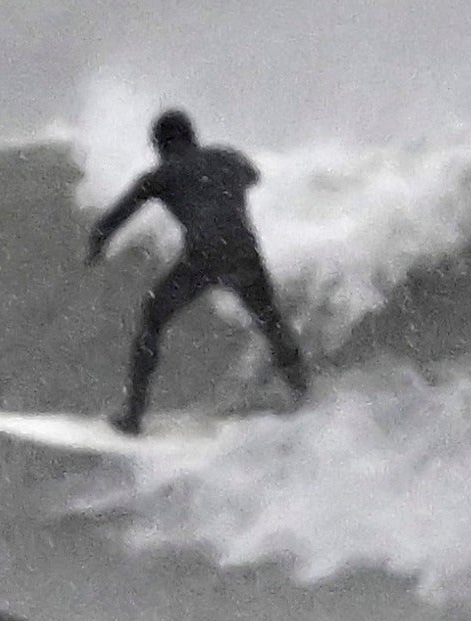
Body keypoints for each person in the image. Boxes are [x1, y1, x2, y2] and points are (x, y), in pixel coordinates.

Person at [85, 109, 310, 434]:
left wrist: (96, 245)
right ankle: (302, 391)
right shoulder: (227, 158)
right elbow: (252, 174)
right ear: (192, 136)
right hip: (244, 252)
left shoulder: (161, 175)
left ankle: (133, 417)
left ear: (161, 145)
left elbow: (115, 217)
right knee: (271, 321)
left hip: (203, 257)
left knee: (152, 318)